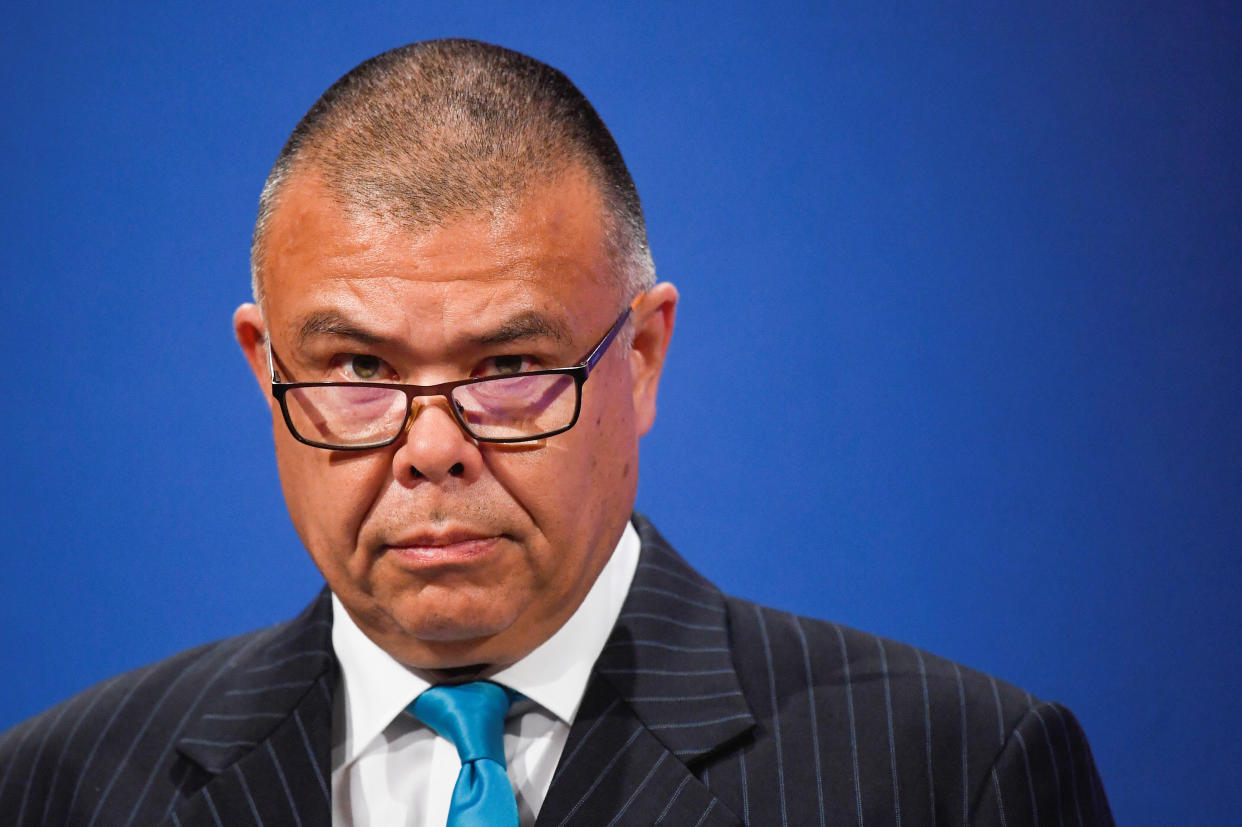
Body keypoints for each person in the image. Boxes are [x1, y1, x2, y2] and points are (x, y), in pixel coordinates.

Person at [0, 39, 1113, 826]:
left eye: (510, 367)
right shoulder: (56, 786)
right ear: (265, 366)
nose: (432, 445)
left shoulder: (953, 775)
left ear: (639, 357)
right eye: (356, 368)